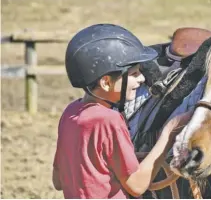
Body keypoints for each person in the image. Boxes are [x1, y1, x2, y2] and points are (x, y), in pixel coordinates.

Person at [52, 24, 192, 199]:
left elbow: (58, 180)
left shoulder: (70, 112)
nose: (141, 79)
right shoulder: (110, 120)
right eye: (133, 74)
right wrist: (168, 134)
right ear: (105, 82)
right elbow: (137, 186)